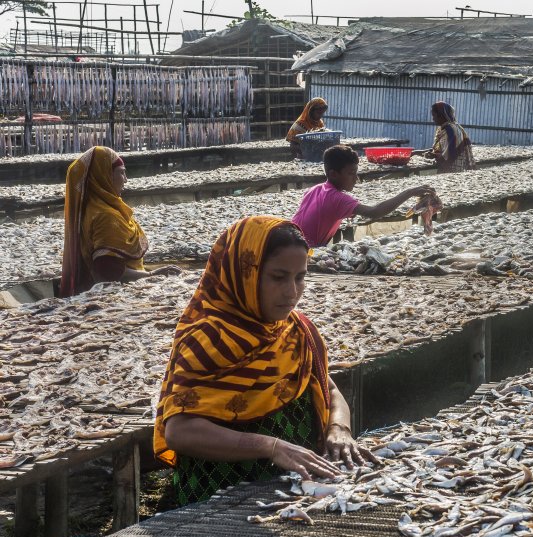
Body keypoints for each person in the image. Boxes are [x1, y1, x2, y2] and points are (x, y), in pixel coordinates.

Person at [153, 216, 376, 505]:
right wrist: (269, 446)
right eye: (278, 277)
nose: (292, 292)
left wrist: (339, 428)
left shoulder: (298, 330)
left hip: (296, 488)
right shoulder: (207, 339)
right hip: (218, 495)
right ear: (244, 274)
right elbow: (179, 432)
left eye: (300, 277)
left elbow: (329, 389)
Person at [60, 146, 179, 297]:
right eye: (121, 172)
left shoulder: (90, 208)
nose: (126, 179)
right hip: (114, 295)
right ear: (105, 176)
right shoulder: (106, 216)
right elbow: (106, 270)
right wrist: (151, 275)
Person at [291, 145, 436, 248]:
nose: (356, 178)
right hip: (300, 249)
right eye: (351, 173)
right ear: (333, 174)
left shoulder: (315, 189)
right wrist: (409, 192)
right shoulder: (336, 198)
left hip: (291, 241)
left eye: (356, 173)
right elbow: (374, 212)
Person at [426, 101, 475, 172]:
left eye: (434, 115)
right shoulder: (453, 127)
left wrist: (434, 155)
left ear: (441, 115)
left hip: (452, 169)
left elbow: (448, 155)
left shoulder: (450, 130)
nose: (433, 119)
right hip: (459, 168)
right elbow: (445, 150)